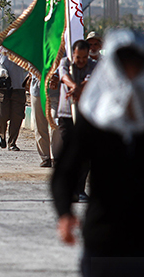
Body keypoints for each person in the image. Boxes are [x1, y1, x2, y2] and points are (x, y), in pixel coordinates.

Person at [52, 29, 144, 277]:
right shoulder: (95, 120)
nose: (129, 70)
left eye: (134, 63)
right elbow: (66, 170)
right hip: (105, 236)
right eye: (122, 63)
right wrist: (65, 214)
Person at [57, 40, 97, 201]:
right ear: (72, 54)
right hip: (66, 114)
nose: (80, 61)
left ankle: (80, 189)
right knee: (68, 153)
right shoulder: (65, 62)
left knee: (85, 155)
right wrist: (74, 86)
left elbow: (90, 80)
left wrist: (79, 88)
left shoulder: (94, 65)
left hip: (85, 116)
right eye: (78, 57)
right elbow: (63, 76)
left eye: (84, 57)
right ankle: (68, 188)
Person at [0, 47, 28, 151]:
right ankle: (1, 135)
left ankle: (12, 143)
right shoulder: (0, 51)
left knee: (17, 117)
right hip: (2, 89)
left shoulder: (23, 50)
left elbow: (30, 66)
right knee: (2, 115)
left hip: (18, 88)